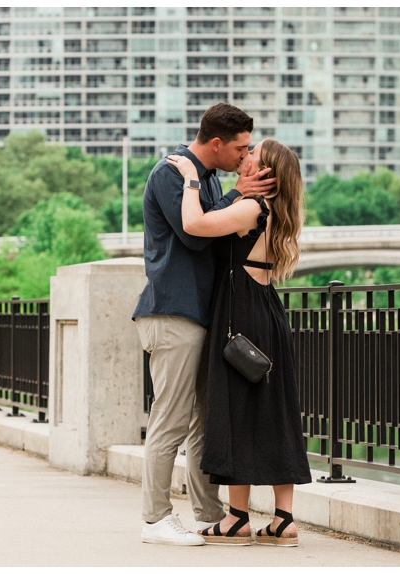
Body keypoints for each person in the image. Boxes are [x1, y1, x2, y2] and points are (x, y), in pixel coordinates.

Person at [133, 102, 275, 546]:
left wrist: (233, 193)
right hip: (173, 311)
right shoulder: (171, 172)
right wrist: (238, 195)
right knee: (170, 421)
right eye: (240, 148)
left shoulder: (210, 177)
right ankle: (155, 520)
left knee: (202, 422)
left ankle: (209, 515)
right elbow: (195, 234)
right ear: (216, 143)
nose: (244, 157)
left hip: (198, 313)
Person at [166, 138, 312, 547]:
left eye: (253, 155)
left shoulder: (250, 207)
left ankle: (236, 519)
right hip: (266, 311)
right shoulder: (275, 209)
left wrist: (192, 179)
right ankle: (283, 519)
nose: (244, 158)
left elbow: (195, 225)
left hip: (242, 314)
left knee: (236, 411)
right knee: (275, 411)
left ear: (265, 174)